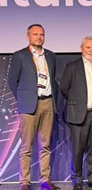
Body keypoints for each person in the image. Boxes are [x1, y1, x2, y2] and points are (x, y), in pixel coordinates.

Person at [8, 24, 59, 190]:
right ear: (28, 37)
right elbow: (12, 81)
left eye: (41, 34)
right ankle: (25, 182)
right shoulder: (20, 55)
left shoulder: (50, 55)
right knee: (26, 146)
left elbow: (53, 79)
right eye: (35, 34)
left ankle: (45, 179)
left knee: (45, 145)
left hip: (48, 102)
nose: (39, 37)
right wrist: (23, 98)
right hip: (29, 105)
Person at [60, 36, 92, 190]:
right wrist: (77, 103)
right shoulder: (72, 66)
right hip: (80, 114)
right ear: (82, 49)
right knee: (78, 150)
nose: (91, 51)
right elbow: (64, 88)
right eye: (88, 47)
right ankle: (77, 180)